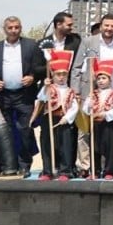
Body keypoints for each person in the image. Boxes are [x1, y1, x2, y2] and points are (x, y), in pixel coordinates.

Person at [0, 16, 47, 175]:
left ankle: (24, 164)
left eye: (17, 27)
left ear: (21, 28)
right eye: (10, 28)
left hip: (24, 95)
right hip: (3, 95)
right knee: (5, 132)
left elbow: (42, 68)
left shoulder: (31, 45)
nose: (14, 30)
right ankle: (8, 165)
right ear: (5, 29)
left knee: (25, 130)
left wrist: (33, 77)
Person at [32, 50, 80, 181]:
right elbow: (40, 99)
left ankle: (65, 171)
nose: (61, 77)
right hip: (49, 119)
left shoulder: (70, 91)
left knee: (65, 145)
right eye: (58, 74)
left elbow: (75, 107)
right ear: (53, 75)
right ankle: (47, 170)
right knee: (47, 145)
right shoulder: (49, 88)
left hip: (64, 120)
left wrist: (68, 117)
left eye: (64, 74)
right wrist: (45, 87)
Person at [81, 59, 113, 179]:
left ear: (109, 80)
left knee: (110, 148)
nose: (100, 81)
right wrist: (88, 108)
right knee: (95, 148)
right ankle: (94, 170)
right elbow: (85, 110)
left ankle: (109, 171)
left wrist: (106, 115)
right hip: (95, 125)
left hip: (108, 125)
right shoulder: (92, 94)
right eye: (99, 79)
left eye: (103, 78)